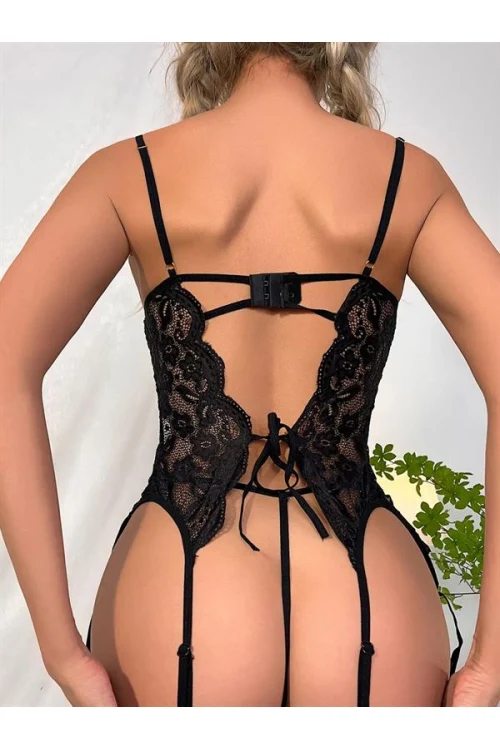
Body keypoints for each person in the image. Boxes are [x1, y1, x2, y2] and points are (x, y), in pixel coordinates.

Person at [1, 42, 499, 708]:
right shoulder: (407, 178)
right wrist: (491, 661)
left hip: (186, 591)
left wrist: (62, 653)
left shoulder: (132, 170)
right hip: (365, 600)